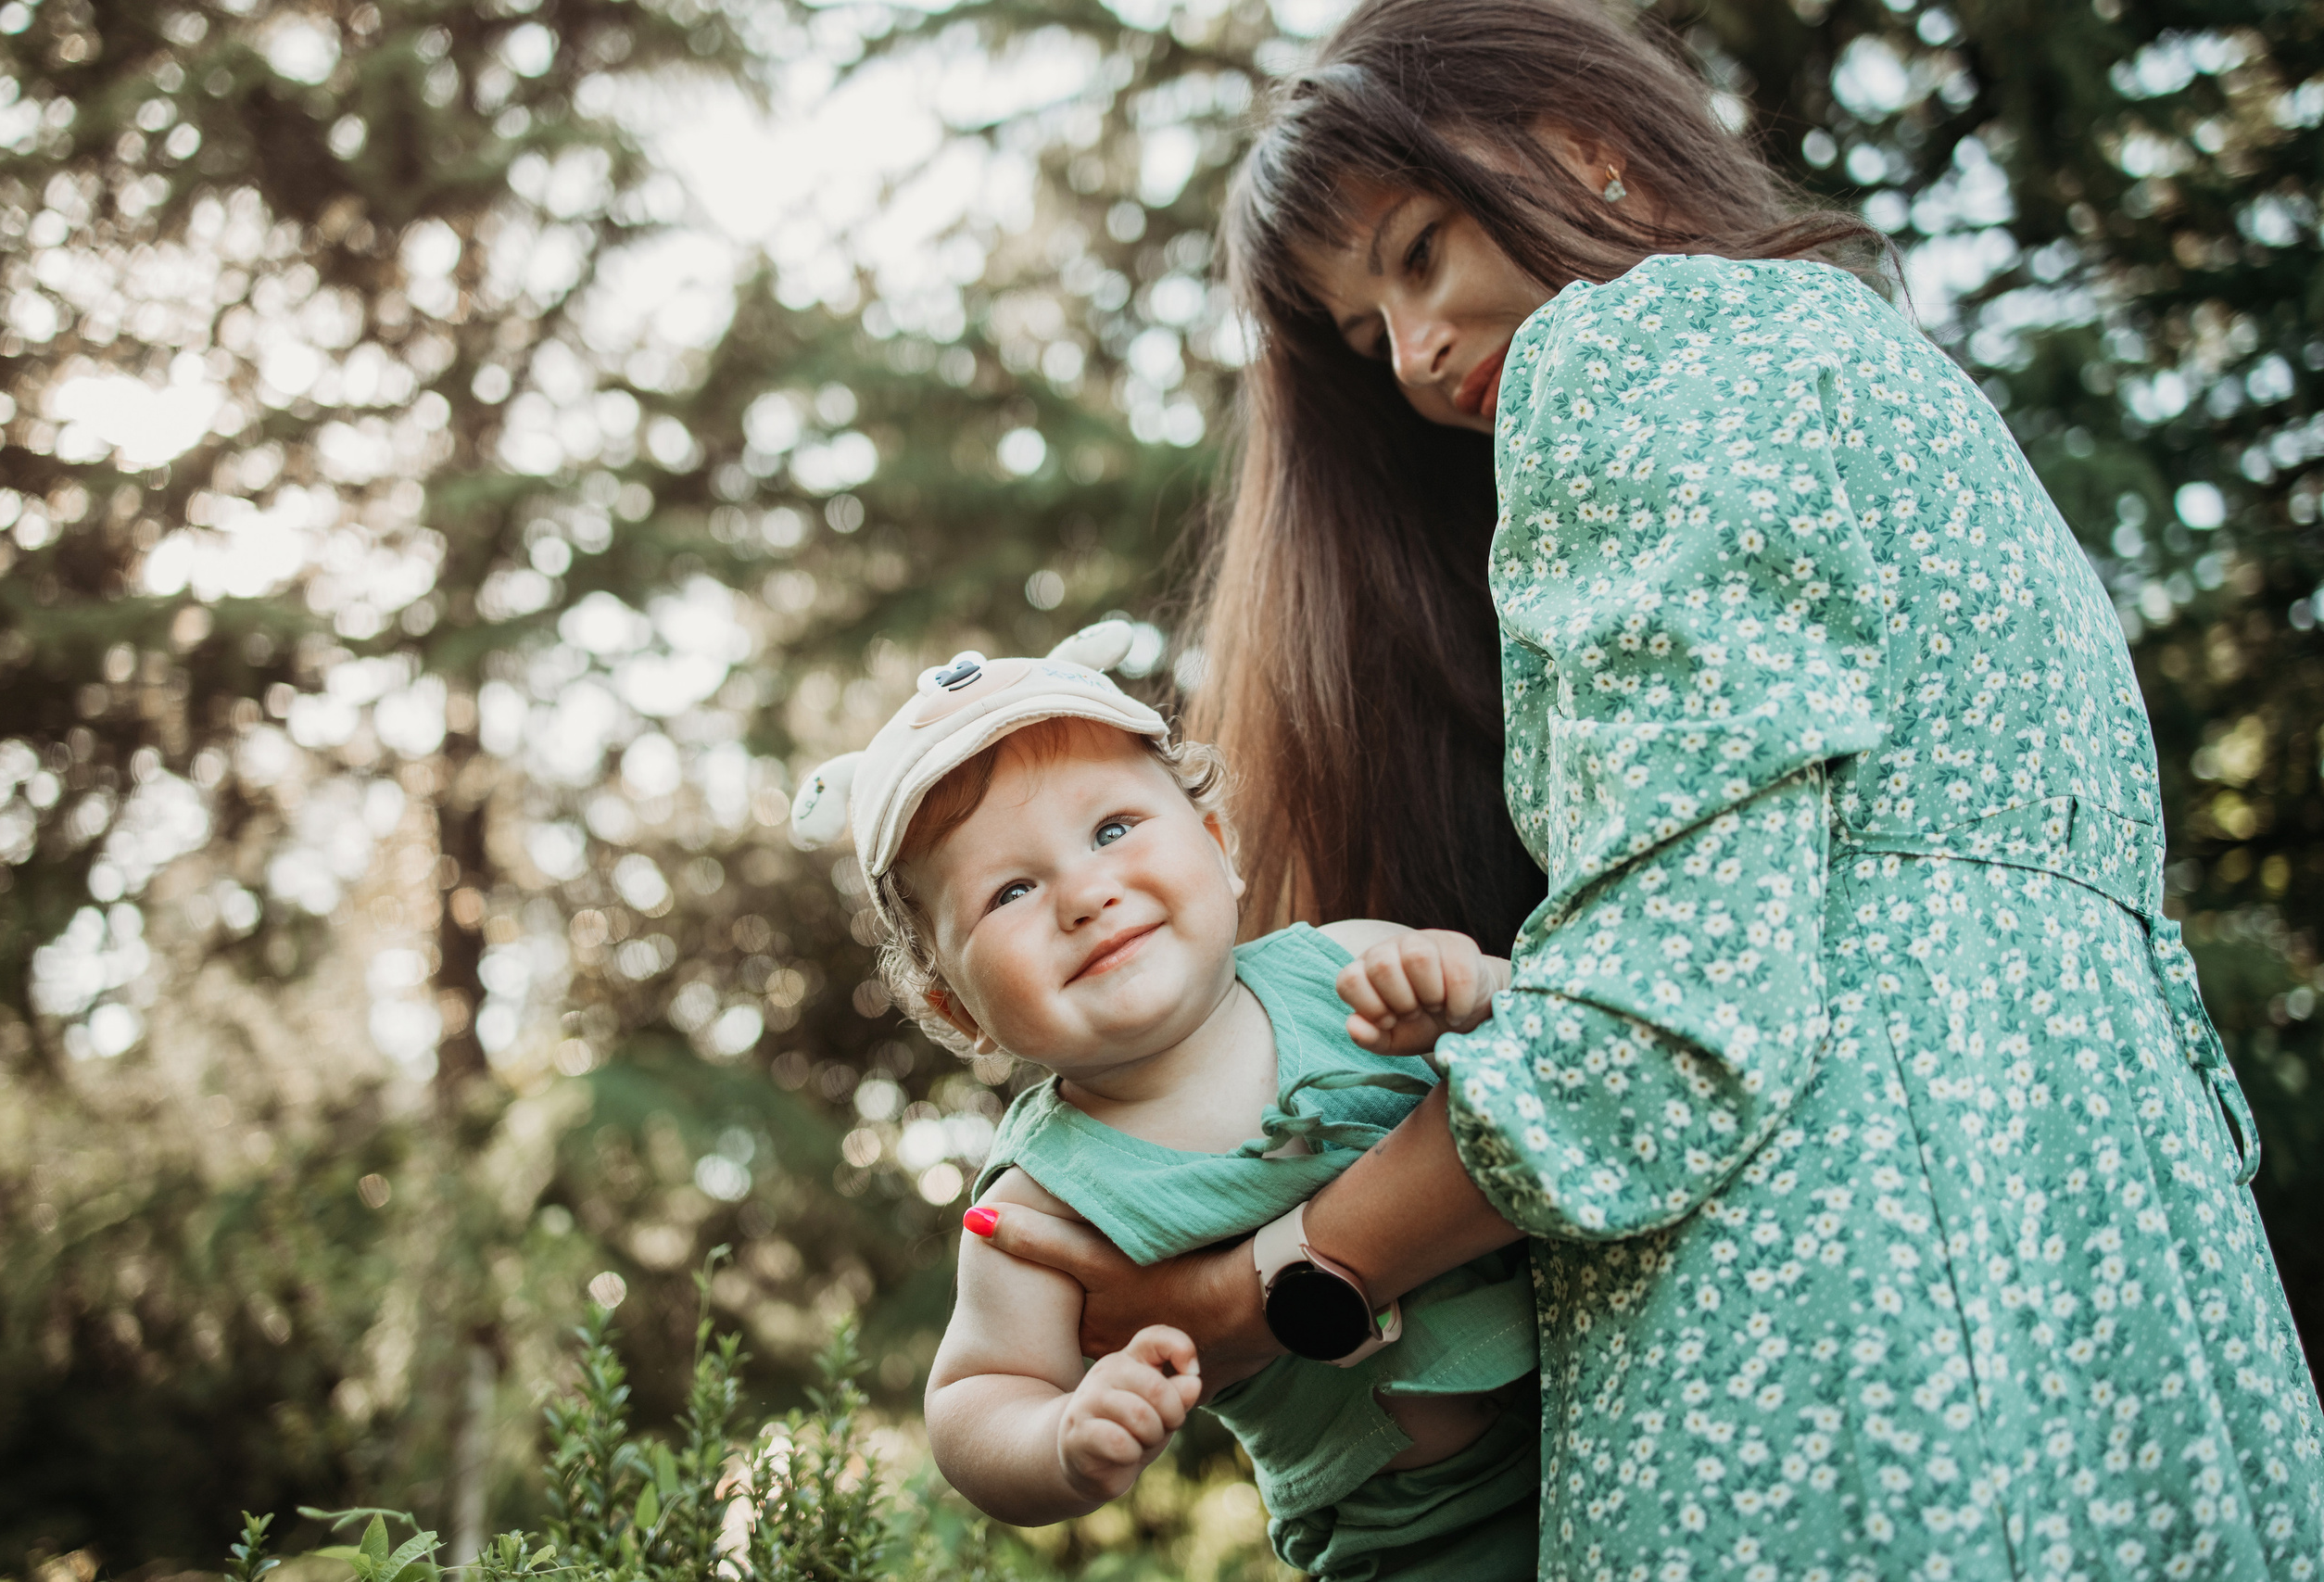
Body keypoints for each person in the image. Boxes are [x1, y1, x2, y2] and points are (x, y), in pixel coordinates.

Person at [965, 0, 2324, 1576]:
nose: (1412, 355)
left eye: (1416, 254)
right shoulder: (1868, 370)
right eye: (1363, 334)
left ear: (1584, 147)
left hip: (1841, 1294)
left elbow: (1655, 1023)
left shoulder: (1635, 346)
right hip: (2118, 1262)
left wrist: (1253, 1288)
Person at [789, 622, 1545, 1580]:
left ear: (1219, 845)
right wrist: (1062, 1437)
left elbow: (1570, 1041)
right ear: (954, 1007)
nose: (1084, 893)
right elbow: (977, 1397)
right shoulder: (1044, 1200)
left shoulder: (1349, 959)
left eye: (1111, 829)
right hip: (1418, 1539)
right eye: (1010, 890)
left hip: (1603, 1384)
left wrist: (1470, 987)